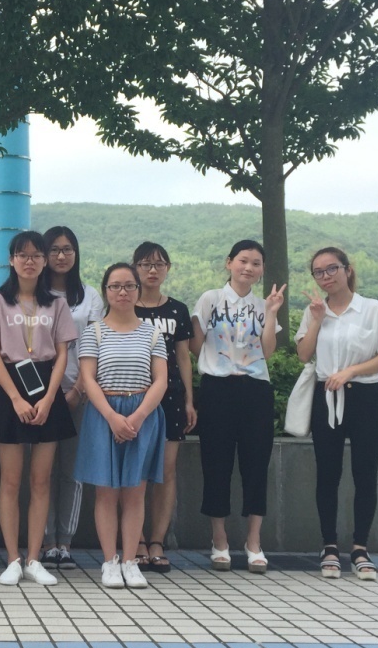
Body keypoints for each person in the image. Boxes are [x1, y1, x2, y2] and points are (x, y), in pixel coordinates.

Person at [0, 230, 78, 586]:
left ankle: (35, 558)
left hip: (47, 386)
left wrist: (50, 398)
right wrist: (16, 398)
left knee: (41, 480)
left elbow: (63, 353)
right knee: (10, 480)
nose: (30, 261)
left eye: (37, 255)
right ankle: (12, 558)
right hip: (11, 388)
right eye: (23, 255)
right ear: (11, 260)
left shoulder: (56, 303)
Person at [295, 246, 378, 581]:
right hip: (327, 395)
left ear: (347, 270)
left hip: (366, 396)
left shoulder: (372, 309)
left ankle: (360, 548)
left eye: (332, 269)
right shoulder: (314, 310)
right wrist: (316, 319)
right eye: (319, 272)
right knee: (328, 473)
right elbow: (303, 354)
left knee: (365, 473)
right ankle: (329, 546)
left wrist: (350, 371)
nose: (326, 276)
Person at [189, 239, 284, 574]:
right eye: (243, 260)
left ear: (262, 270)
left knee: (256, 464)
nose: (249, 268)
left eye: (256, 263)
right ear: (229, 262)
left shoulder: (264, 304)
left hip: (255, 390)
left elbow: (267, 352)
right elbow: (195, 345)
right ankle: (220, 540)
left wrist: (271, 313)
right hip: (217, 389)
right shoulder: (210, 299)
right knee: (216, 463)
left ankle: (254, 542)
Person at [74, 264, 169, 589]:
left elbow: (160, 381)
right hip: (104, 415)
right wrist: (112, 417)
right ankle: (110, 561)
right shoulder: (94, 332)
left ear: (138, 290)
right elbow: (88, 379)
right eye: (115, 286)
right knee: (106, 492)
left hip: (143, 415)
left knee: (135, 492)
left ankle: (130, 561)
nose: (122, 292)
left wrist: (138, 416)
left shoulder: (152, 333)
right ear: (106, 291)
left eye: (129, 286)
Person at [40, 226, 103, 571]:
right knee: (41, 471)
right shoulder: (34, 292)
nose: (61, 256)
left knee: (71, 470)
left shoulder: (89, 296)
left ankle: (64, 541)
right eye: (54, 249)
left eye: (67, 249)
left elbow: (94, 345)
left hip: (79, 392)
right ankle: (45, 539)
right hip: (39, 394)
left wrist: (78, 390)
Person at [133, 241, 195, 573]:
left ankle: (157, 541)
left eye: (159, 264)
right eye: (145, 264)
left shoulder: (178, 310)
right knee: (137, 470)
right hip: (134, 398)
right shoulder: (126, 306)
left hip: (171, 398)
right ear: (135, 268)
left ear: (168, 268)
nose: (152, 270)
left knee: (166, 471)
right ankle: (137, 540)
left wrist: (189, 400)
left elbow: (183, 356)